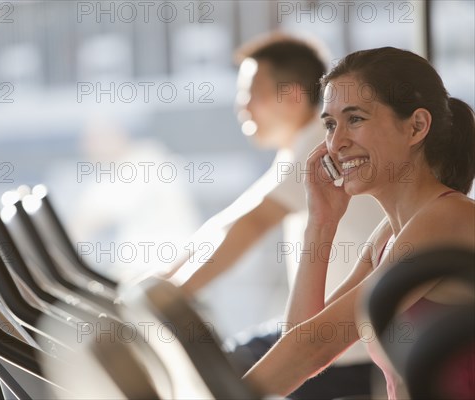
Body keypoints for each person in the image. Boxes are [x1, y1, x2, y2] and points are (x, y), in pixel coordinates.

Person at [242, 46, 475, 399]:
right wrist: (321, 221)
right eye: (331, 124)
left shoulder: (448, 217)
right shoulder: (387, 237)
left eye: (356, 119)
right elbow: (301, 341)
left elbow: (311, 350)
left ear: (416, 127)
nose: (337, 143)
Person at [168, 33, 385, 399]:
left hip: (354, 353)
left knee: (228, 371)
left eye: (250, 93)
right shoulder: (299, 148)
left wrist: (173, 295)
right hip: (335, 334)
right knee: (231, 359)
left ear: (293, 96)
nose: (241, 107)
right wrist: (163, 282)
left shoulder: (320, 143)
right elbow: (227, 221)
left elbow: (251, 226)